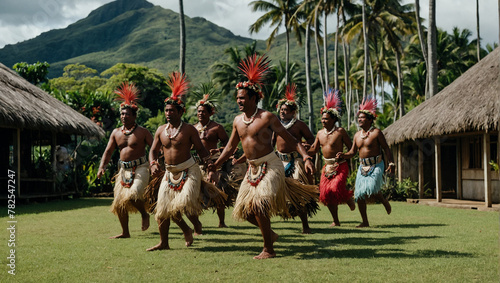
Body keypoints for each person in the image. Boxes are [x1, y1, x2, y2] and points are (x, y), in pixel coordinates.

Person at [208, 54, 315, 259]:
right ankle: (270, 234)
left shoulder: (267, 117)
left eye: (242, 97)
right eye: (237, 97)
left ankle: (269, 249)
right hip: (252, 168)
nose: (239, 100)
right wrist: (215, 165)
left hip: (271, 165)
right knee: (245, 211)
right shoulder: (238, 121)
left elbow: (291, 139)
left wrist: (307, 157)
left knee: (259, 205)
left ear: (254, 98)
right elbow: (230, 148)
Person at [147, 72, 221, 251]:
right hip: (169, 172)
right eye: (166, 110)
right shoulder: (160, 130)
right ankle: (167, 241)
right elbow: (153, 151)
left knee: (181, 204)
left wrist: (211, 166)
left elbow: (202, 150)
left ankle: (192, 226)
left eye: (172, 110)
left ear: (180, 112)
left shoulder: (188, 130)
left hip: (189, 170)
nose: (168, 113)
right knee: (163, 210)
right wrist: (153, 163)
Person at [97, 82, 153, 238]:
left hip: (141, 167)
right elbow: (108, 151)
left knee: (134, 194)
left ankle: (144, 213)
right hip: (123, 169)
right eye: (122, 114)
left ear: (134, 116)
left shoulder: (143, 132)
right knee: (119, 202)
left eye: (127, 114)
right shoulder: (116, 132)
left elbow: (155, 149)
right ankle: (125, 232)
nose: (123, 116)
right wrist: (102, 167)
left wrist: (156, 164)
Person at [337, 96, 394, 228]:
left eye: (362, 118)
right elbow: (352, 152)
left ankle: (384, 201)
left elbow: (386, 148)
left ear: (369, 120)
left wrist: (391, 163)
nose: (359, 120)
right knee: (359, 195)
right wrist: (343, 155)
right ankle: (365, 222)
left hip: (377, 164)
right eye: (359, 118)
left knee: (372, 187)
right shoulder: (357, 135)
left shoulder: (376, 133)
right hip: (363, 166)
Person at [308, 89, 355, 227]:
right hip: (326, 166)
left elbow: (352, 149)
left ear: (334, 119)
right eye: (322, 118)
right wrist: (304, 149)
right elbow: (314, 150)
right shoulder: (319, 134)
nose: (323, 121)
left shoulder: (340, 132)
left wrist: (345, 155)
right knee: (325, 195)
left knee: (334, 189)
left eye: (326, 119)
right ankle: (336, 220)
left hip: (340, 165)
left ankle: (347, 197)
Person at [274, 83, 317, 234]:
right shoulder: (276, 125)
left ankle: (305, 225)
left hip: (296, 162)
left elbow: (312, 140)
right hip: (280, 161)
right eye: (281, 110)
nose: (282, 112)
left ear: (293, 112)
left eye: (286, 110)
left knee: (299, 192)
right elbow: (271, 143)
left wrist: (305, 145)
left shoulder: (299, 125)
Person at [193, 93, 235, 228]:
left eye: (203, 112)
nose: (200, 114)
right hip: (198, 164)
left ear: (210, 113)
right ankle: (197, 222)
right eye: (199, 111)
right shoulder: (193, 128)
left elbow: (228, 145)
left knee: (217, 191)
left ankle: (221, 222)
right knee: (195, 191)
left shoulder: (217, 128)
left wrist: (218, 151)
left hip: (214, 164)